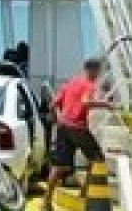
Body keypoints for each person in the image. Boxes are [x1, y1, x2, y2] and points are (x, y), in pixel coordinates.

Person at [43, 59, 109, 211]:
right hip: (78, 128)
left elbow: (53, 103)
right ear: (94, 70)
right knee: (97, 159)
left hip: (63, 127)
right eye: (98, 72)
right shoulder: (89, 84)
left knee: (58, 166)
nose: (98, 75)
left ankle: (46, 202)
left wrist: (57, 117)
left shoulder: (71, 82)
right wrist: (105, 104)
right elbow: (86, 102)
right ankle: (84, 194)